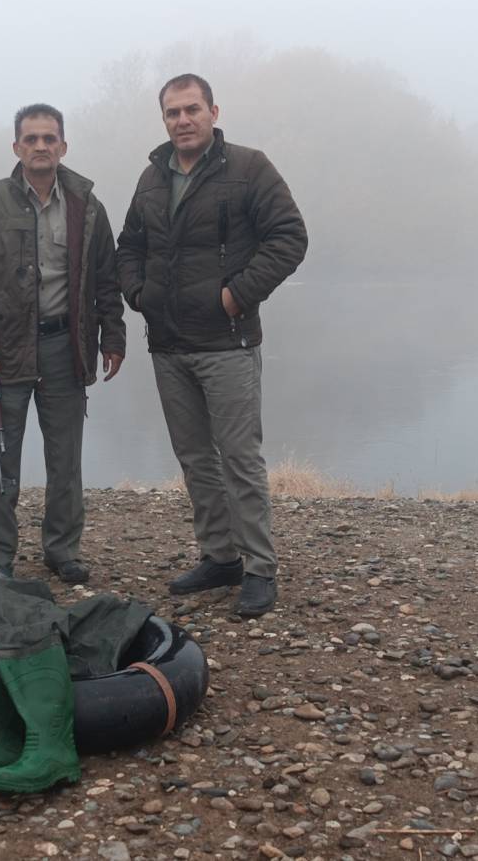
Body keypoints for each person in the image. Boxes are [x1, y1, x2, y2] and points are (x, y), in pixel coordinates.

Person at [115, 74, 308, 618]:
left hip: (227, 341)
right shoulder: (152, 178)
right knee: (195, 457)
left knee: (239, 457)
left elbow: (290, 237)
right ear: (164, 119)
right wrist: (139, 293)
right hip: (169, 344)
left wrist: (236, 296)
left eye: (192, 109)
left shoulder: (250, 168)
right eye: (172, 112)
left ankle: (259, 568)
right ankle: (219, 556)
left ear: (213, 112)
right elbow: (128, 245)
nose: (183, 120)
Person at [0, 104, 126, 584]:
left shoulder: (87, 205)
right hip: (2, 354)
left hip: (65, 346)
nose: (41, 146)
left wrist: (113, 335)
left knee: (65, 459)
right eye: (31, 139)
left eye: (50, 138)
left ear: (63, 146)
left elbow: (106, 277)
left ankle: (62, 549)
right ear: (16, 147)